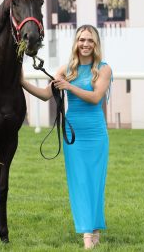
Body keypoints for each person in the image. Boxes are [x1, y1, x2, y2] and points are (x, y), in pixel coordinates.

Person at [21, 24, 112, 249]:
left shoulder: (103, 69)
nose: (85, 44)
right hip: (74, 135)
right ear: (76, 43)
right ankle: (87, 234)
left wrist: (68, 88)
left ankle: (95, 227)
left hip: (96, 134)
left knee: (95, 183)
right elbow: (45, 95)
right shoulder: (66, 70)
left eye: (90, 40)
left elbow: (95, 97)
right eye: (82, 39)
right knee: (79, 182)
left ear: (96, 43)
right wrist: (22, 81)